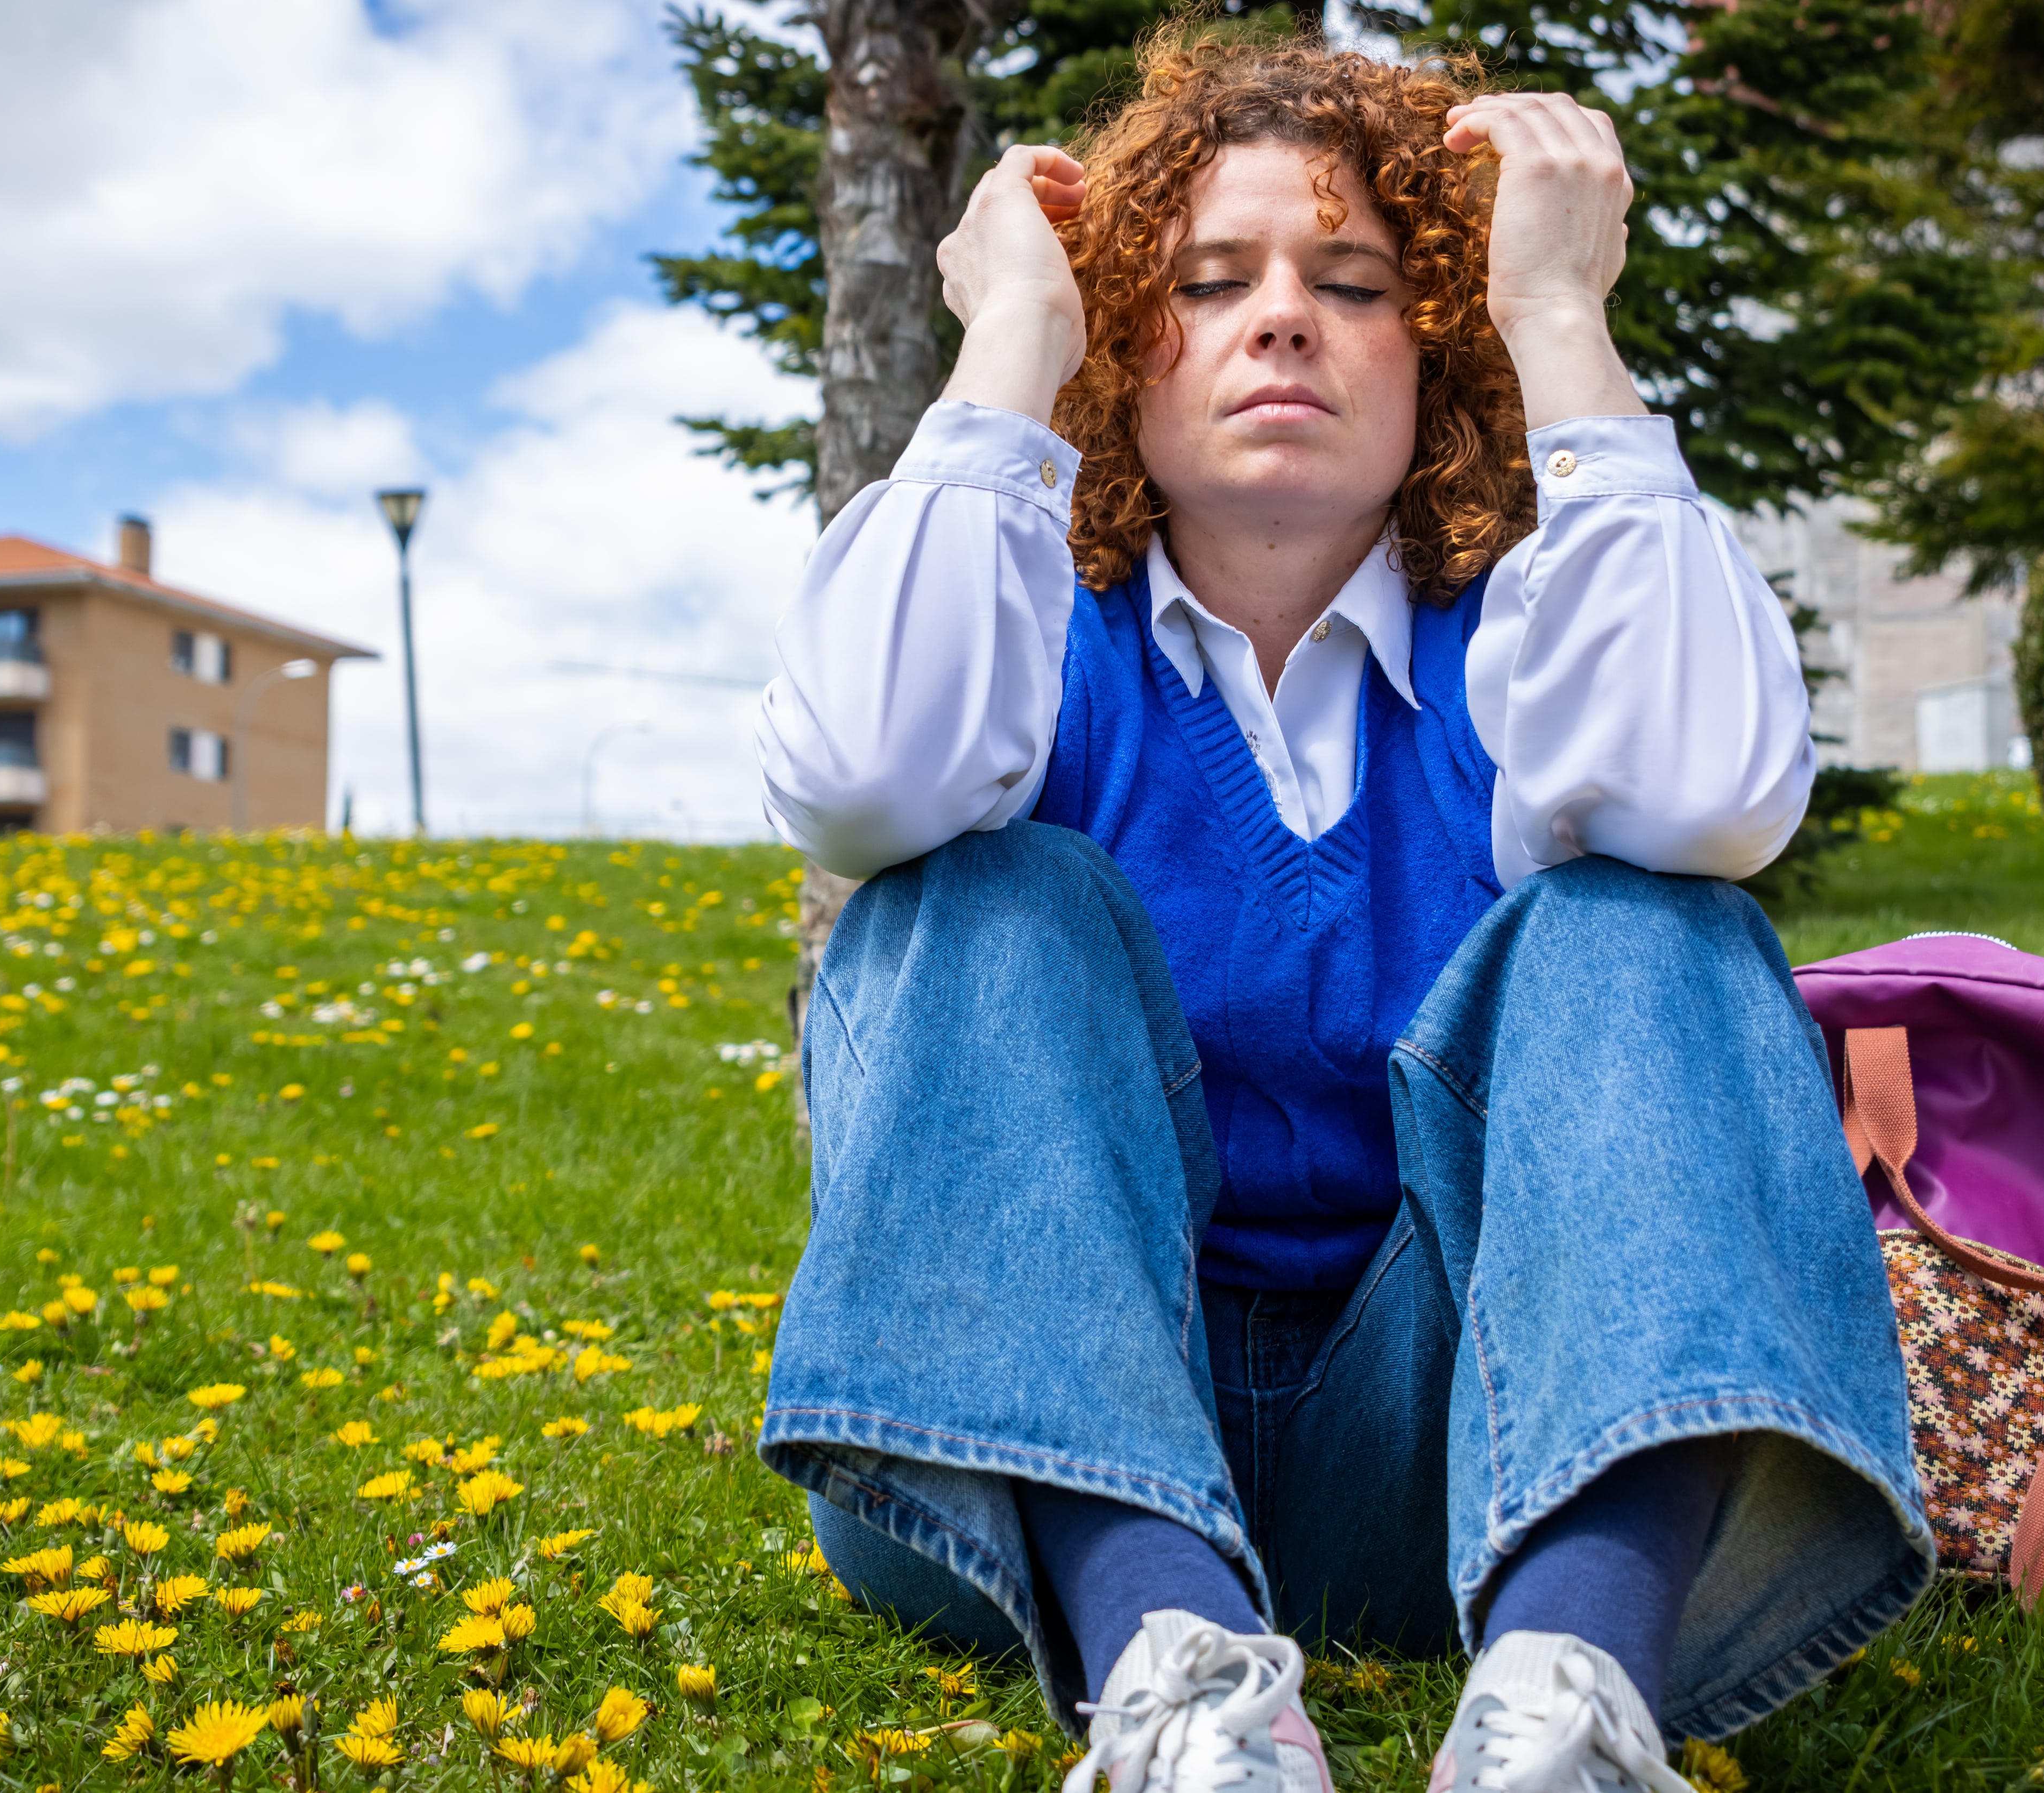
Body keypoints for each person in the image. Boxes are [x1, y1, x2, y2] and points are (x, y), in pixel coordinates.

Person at [753, 29, 1932, 1793]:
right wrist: (1007, 335)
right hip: (1028, 1462)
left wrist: (1558, 313)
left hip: (1462, 1455)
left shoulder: (1523, 647)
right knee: (981, 896)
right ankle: (1175, 1682)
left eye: (1356, 282)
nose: (1283, 318)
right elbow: (859, 779)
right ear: (1116, 357)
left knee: (1654, 920)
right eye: (1208, 283)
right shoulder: (1028, 648)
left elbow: (1713, 797)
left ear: (1429, 355)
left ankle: (1569, 1708)